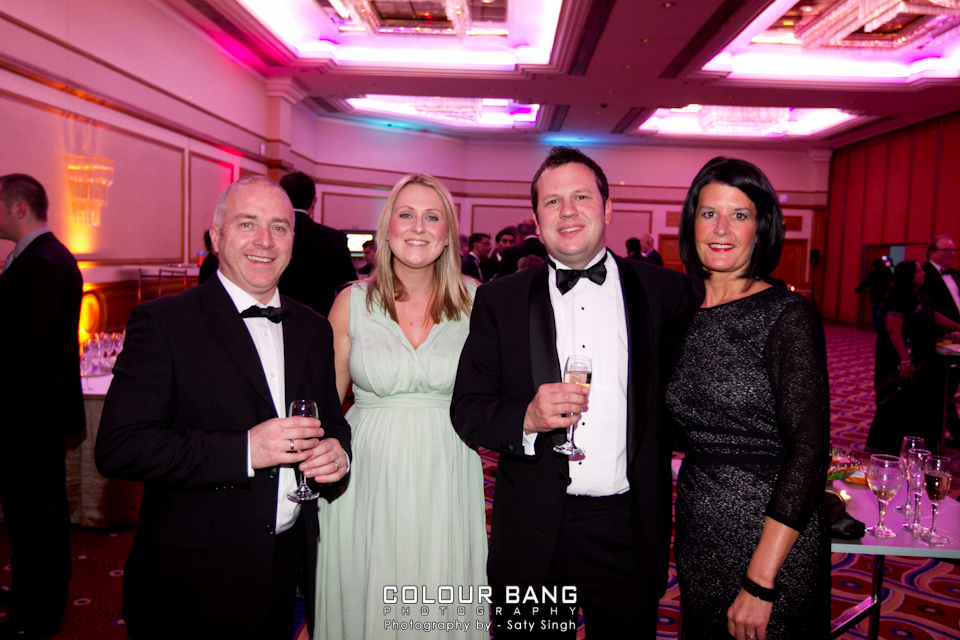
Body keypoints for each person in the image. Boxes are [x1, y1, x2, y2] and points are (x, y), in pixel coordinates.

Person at [451, 146, 696, 638]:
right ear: (536, 221)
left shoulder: (668, 293)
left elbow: (691, 400)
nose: (567, 211)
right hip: (534, 529)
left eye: (581, 197)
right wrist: (526, 418)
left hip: (628, 527)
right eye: (552, 201)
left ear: (608, 208)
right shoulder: (499, 299)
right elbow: (468, 409)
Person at [95, 176, 351, 640]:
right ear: (216, 237)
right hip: (192, 578)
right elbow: (120, 446)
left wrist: (338, 453)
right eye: (247, 223)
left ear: (293, 241)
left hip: (284, 570)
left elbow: (331, 420)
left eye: (279, 227)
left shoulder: (313, 329)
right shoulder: (165, 322)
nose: (264, 241)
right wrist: (245, 451)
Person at [307, 174, 487, 640]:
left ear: (448, 234)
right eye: (406, 214)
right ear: (387, 228)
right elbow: (326, 407)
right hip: (367, 471)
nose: (418, 227)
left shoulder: (477, 301)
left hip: (447, 466)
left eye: (433, 217)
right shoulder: (351, 302)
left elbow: (497, 396)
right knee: (366, 587)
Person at [665, 157, 831, 640]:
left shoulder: (786, 315)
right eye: (709, 213)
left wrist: (760, 581)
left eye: (739, 215)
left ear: (761, 228)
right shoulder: (680, 316)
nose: (722, 228)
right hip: (699, 532)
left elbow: (809, 452)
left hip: (772, 545)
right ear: (691, 223)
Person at [0, 174, 84, 639]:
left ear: (18, 208)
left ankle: (40, 609)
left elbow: (26, 347)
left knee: (35, 516)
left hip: (30, 415)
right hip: (36, 412)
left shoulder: (41, 263)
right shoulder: (44, 256)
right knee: (35, 513)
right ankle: (34, 593)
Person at [866, 260, 960, 453]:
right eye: (918, 271)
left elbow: (932, 316)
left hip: (921, 357)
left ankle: (914, 446)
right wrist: (904, 360)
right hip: (898, 357)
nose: (923, 274)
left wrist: (957, 327)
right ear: (908, 275)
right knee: (897, 401)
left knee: (917, 402)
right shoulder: (898, 298)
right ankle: (889, 447)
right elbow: (893, 330)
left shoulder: (919, 296)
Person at [278, 171, 357, 316]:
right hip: (321, 320)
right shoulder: (334, 239)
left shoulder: (270, 236)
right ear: (314, 202)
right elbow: (350, 290)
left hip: (276, 317)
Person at [921, 235, 960, 442]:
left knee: (950, 390)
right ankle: (936, 435)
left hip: (957, 341)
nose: (952, 254)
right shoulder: (923, 274)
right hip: (937, 339)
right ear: (932, 252)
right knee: (940, 389)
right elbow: (928, 311)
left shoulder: (956, 275)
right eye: (947, 250)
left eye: (954, 250)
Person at [855, 258, 893, 332]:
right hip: (882, 295)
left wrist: (859, 289)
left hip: (874, 295)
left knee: (875, 312)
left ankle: (875, 327)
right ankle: (877, 327)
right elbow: (889, 282)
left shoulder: (872, 274)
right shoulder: (885, 273)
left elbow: (866, 283)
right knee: (880, 312)